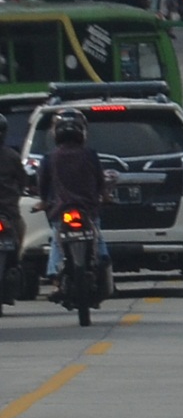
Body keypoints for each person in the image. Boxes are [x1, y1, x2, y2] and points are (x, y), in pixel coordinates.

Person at [35, 109, 111, 293]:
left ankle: (53, 272)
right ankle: (105, 268)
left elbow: (43, 184)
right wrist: (106, 196)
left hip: (60, 210)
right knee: (98, 238)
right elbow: (100, 180)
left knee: (56, 239)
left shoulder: (49, 157)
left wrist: (44, 201)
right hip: (88, 209)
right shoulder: (90, 155)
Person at [0, 113, 27, 256]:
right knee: (21, 228)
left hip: (9, 211)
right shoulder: (13, 156)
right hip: (10, 211)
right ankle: (16, 258)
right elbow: (23, 181)